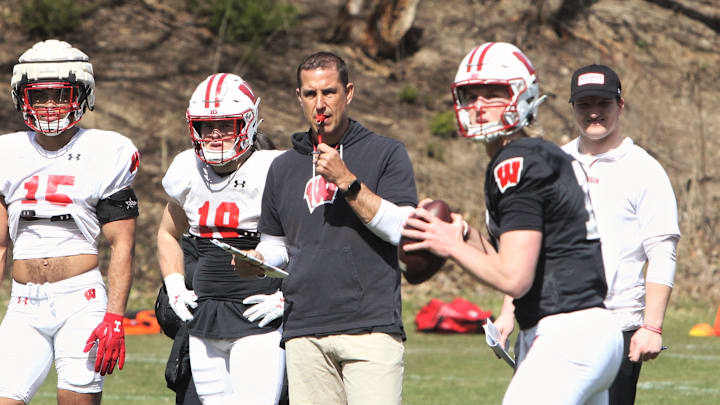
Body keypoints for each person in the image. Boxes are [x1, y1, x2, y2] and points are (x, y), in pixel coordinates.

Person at [401, 42, 623, 405]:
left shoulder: (515, 163)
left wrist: (449, 244)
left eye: (493, 94)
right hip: (589, 331)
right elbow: (512, 261)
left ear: (523, 95)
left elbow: (514, 279)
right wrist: (467, 235)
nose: (479, 105)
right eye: (471, 95)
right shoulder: (541, 154)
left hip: (566, 334)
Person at [243, 51, 417, 405]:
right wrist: (258, 258)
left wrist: (347, 181)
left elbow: (403, 229)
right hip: (304, 329)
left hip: (370, 327)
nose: (320, 104)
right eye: (310, 94)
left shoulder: (386, 153)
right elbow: (279, 245)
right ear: (299, 97)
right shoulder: (282, 166)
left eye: (329, 92)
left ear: (348, 93)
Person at [0, 40, 139, 404]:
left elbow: (121, 244)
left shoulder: (107, 151)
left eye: (60, 95)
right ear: (21, 97)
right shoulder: (7, 153)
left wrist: (114, 317)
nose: (49, 106)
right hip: (23, 306)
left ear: (83, 94)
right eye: (39, 95)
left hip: (81, 300)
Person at [156, 73, 286, 405]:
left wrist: (289, 294)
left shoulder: (276, 169)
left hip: (258, 315)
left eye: (226, 125)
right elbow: (168, 233)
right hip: (206, 316)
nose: (214, 135)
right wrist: (174, 284)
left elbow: (312, 243)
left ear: (249, 121)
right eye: (205, 126)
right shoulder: (187, 170)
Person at [562, 64, 680, 405]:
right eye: (584, 104)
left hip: (617, 327)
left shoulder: (643, 169)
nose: (594, 112)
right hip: (558, 324)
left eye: (603, 103)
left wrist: (652, 326)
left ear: (621, 105)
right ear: (573, 108)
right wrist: (511, 312)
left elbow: (662, 250)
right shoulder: (556, 162)